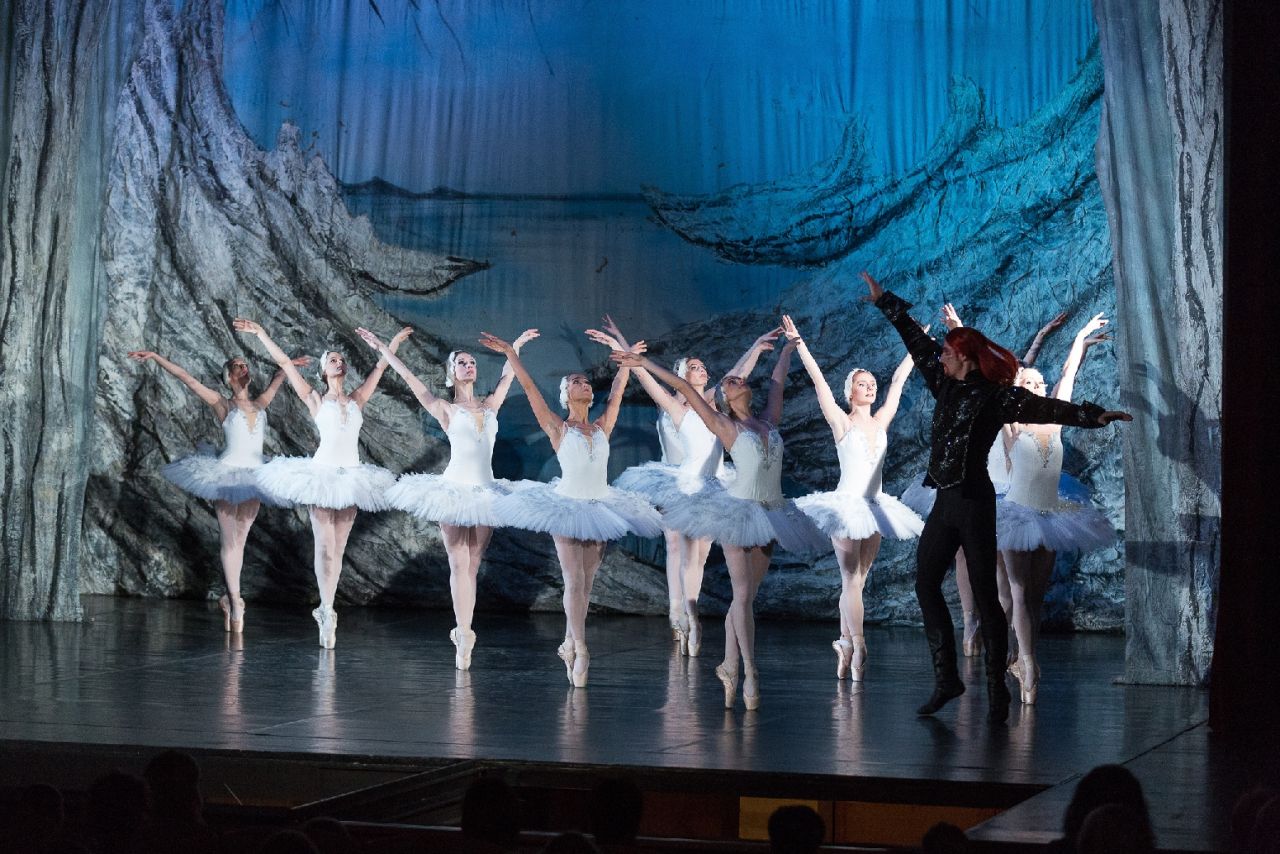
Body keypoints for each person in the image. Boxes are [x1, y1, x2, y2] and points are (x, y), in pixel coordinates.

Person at [861, 272, 1131, 723]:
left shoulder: (996, 398)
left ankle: (996, 688)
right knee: (926, 582)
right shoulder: (943, 382)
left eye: (948, 352)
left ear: (965, 358)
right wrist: (884, 301)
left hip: (975, 503)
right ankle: (947, 678)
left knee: (989, 595)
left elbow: (1047, 408)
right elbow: (916, 341)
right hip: (945, 501)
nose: (940, 356)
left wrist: (1094, 415)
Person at [612, 337, 827, 710]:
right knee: (742, 596)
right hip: (737, 513)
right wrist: (643, 364)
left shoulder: (768, 421)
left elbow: (777, 384)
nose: (734, 380)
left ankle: (728, 664)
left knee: (747, 599)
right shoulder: (723, 425)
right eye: (729, 381)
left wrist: (786, 352)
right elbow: (681, 389)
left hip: (772, 513)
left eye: (737, 379)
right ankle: (750, 671)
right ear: (725, 398)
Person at [483, 331, 661, 687]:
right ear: (566, 393)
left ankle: (568, 640)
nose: (585, 384)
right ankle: (581, 647)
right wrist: (510, 353)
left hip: (599, 506)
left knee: (587, 583)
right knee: (574, 578)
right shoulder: (558, 426)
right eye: (576, 381)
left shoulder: (602, 426)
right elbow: (530, 388)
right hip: (566, 506)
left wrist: (624, 358)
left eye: (586, 382)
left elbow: (617, 391)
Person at [358, 327, 537, 670]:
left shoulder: (490, 405)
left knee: (473, 564)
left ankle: (464, 630)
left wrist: (514, 347)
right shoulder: (444, 408)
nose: (469, 366)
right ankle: (464, 633)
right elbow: (408, 377)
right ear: (451, 372)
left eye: (472, 362)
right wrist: (384, 347)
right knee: (458, 562)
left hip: (485, 492)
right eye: (462, 362)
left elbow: (508, 375)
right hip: (453, 491)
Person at [610, 324, 781, 657]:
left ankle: (690, 609)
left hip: (716, 484)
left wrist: (756, 347)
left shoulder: (714, 408)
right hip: (687, 484)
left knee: (701, 556)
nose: (702, 370)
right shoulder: (678, 409)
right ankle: (684, 613)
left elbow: (736, 376)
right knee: (682, 550)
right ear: (683, 375)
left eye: (703, 367)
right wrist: (627, 351)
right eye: (694, 367)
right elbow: (648, 379)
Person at [235, 319, 408, 648]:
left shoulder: (357, 398)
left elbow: (381, 367)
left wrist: (393, 343)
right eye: (333, 359)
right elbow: (286, 364)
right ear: (323, 370)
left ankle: (327, 607)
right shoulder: (314, 398)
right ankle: (327, 611)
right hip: (322, 476)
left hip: (352, 477)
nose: (339, 362)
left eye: (341, 360)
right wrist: (261, 333)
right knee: (325, 546)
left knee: (339, 548)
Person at [782, 314, 923, 682]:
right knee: (849, 579)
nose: (870, 387)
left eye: (872, 383)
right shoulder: (841, 421)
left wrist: (916, 344)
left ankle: (844, 642)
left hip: (875, 506)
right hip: (847, 506)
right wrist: (800, 344)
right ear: (851, 392)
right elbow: (818, 381)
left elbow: (899, 381)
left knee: (859, 580)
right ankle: (859, 644)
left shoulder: (881, 421)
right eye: (863, 384)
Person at [129, 347, 307, 633]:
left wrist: (289, 364)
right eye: (238, 365)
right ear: (229, 377)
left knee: (241, 541)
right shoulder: (222, 404)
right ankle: (236, 602)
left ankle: (228, 598)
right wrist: (155, 357)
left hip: (254, 476)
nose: (244, 367)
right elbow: (188, 379)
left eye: (245, 364)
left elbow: (278, 377)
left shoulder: (260, 403)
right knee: (229, 542)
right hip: (224, 475)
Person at [997, 313, 1115, 704]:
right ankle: (1026, 661)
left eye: (1039, 384)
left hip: (1049, 514)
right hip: (1016, 515)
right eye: (1028, 384)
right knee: (1016, 592)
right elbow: (1000, 384)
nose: (1037, 388)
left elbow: (1068, 374)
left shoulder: (1056, 420)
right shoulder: (1011, 421)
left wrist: (1080, 336)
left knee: (1033, 596)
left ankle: (1024, 658)